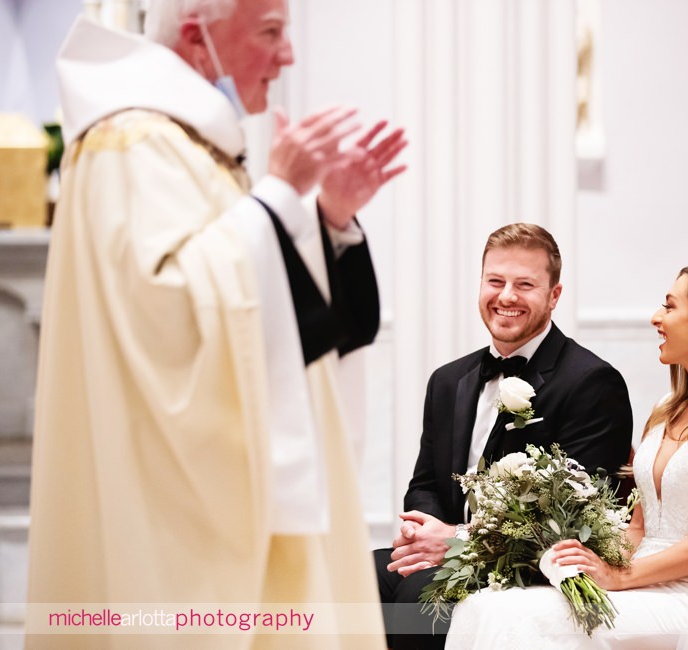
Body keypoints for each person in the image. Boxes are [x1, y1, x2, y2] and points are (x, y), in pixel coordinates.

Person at [26, 1, 405, 648]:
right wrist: (280, 192)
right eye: (270, 33)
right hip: (172, 509)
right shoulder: (132, 143)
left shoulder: (185, 143)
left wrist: (327, 221)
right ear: (200, 38)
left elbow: (257, 296)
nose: (287, 56)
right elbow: (167, 314)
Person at [445, 264, 688, 650]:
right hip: (645, 577)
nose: (656, 318)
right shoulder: (668, 408)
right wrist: (587, 560)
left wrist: (622, 576)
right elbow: (639, 528)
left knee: (528, 622)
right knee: (486, 606)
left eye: (669, 306)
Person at [374, 223, 633, 649]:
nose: (507, 296)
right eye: (495, 281)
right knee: (350, 581)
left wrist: (457, 542)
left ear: (554, 295)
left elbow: (579, 519)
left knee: (418, 597)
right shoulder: (448, 380)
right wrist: (423, 532)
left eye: (525, 284)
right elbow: (424, 485)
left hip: (528, 568)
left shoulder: (592, 382)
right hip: (444, 557)